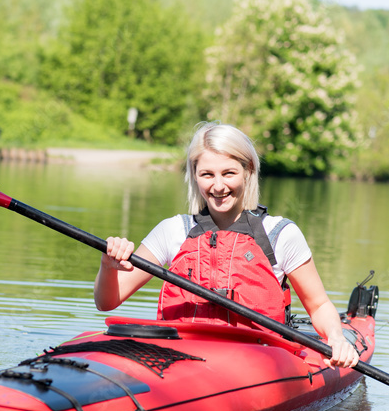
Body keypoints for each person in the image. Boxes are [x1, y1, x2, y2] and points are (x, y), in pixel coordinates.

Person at [93, 122, 359, 368]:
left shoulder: (279, 234)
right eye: (207, 174)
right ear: (194, 176)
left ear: (248, 171)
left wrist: (336, 338)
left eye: (228, 173)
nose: (218, 186)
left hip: (258, 361)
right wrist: (108, 266)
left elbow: (318, 305)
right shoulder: (173, 231)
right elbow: (107, 301)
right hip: (179, 359)